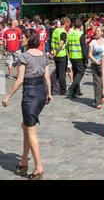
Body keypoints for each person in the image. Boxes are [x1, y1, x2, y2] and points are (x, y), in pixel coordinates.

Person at [2, 29, 52, 180]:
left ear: (29, 39)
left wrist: (8, 97)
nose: (20, 39)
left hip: (30, 95)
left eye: (22, 37)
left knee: (31, 131)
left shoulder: (23, 57)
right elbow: (47, 76)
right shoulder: (43, 55)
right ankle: (24, 161)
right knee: (26, 126)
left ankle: (38, 167)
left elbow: (20, 80)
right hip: (41, 93)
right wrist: (49, 93)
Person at [67, 19, 88, 99]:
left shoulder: (71, 34)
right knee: (80, 73)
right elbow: (84, 49)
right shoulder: (80, 34)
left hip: (72, 56)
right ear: (81, 26)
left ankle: (76, 92)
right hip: (79, 56)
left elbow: (68, 46)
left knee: (76, 74)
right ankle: (72, 87)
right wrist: (86, 60)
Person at [50, 16, 69, 95]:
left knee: (57, 71)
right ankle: (63, 89)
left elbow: (52, 41)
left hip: (55, 55)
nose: (68, 24)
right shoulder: (63, 32)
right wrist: (57, 52)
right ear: (65, 23)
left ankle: (52, 87)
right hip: (61, 55)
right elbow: (61, 44)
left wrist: (52, 51)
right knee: (62, 73)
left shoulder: (55, 30)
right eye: (68, 23)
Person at [88, 26, 104, 108]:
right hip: (95, 64)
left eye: (98, 31)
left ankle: (103, 95)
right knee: (97, 83)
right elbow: (90, 54)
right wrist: (95, 60)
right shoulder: (93, 42)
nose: (96, 32)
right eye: (96, 31)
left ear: (102, 32)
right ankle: (98, 102)